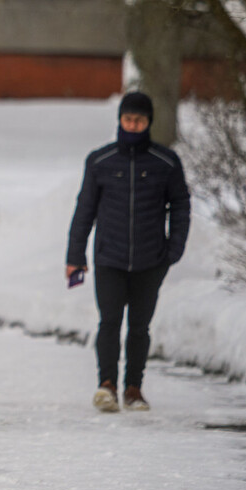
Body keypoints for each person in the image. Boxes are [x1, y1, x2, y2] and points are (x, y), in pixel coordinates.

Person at [66, 91, 191, 413]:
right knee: (109, 322)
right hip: (109, 257)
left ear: (149, 122)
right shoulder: (100, 161)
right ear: (119, 120)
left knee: (139, 327)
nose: (133, 125)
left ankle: (134, 388)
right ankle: (106, 385)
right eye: (127, 119)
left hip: (152, 259)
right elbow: (85, 210)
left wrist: (174, 247)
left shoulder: (166, 162)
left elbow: (180, 204)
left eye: (139, 120)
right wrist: (75, 256)